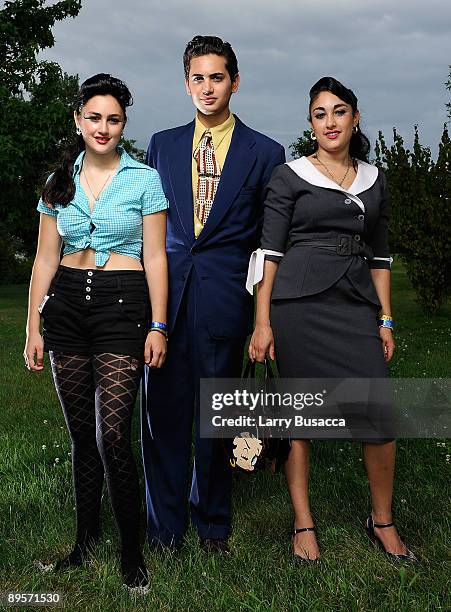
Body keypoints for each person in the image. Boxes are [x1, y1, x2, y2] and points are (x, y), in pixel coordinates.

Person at [248, 77, 417, 563]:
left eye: (339, 112)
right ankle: (304, 523)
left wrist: (385, 319)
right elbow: (270, 252)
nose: (330, 122)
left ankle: (381, 520)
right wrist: (263, 322)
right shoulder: (290, 175)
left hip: (355, 305)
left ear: (355, 118)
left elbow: (381, 257)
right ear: (311, 124)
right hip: (297, 306)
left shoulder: (374, 178)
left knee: (377, 416)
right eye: (320, 114)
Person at [24, 73, 169, 589]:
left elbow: (155, 256)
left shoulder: (144, 179)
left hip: (121, 305)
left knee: (113, 434)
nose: (103, 127)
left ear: (123, 123)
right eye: (94, 117)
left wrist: (158, 323)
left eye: (113, 119)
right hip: (64, 306)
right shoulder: (57, 181)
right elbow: (44, 257)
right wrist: (32, 326)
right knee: (81, 437)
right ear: (78, 120)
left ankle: (133, 554)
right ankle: (84, 544)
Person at [141, 35, 285, 552]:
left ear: (235, 82)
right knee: (162, 416)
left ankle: (213, 525)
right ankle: (164, 528)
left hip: (226, 299)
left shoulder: (265, 153)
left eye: (217, 77)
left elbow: (268, 243)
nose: (207, 87)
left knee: (217, 417)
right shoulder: (162, 144)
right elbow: (150, 228)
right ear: (186, 84)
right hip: (166, 298)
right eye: (197, 78)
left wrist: (262, 317)